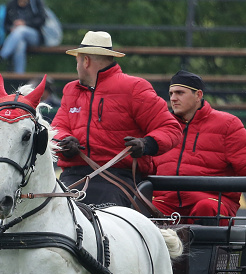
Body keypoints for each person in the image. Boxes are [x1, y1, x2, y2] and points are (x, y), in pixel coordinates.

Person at [51, 31, 181, 209]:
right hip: (73, 177)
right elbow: (57, 129)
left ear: (86, 61)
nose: (77, 67)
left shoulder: (134, 88)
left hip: (119, 178)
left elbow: (170, 128)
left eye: (77, 62)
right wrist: (65, 142)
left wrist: (146, 144)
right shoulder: (70, 90)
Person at [151, 70, 246, 224]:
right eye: (171, 94)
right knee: (140, 213)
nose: (173, 99)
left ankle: (202, 249)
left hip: (212, 201)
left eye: (179, 93)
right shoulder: (162, 125)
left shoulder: (227, 125)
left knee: (206, 208)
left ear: (198, 95)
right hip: (167, 202)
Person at [0, 0, 45, 74]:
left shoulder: (35, 3)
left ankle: (3, 55)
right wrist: (11, 28)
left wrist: (25, 23)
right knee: (20, 44)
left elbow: (42, 20)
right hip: (16, 38)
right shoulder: (11, 4)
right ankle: (19, 76)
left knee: (20, 30)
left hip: (34, 36)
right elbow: (5, 25)